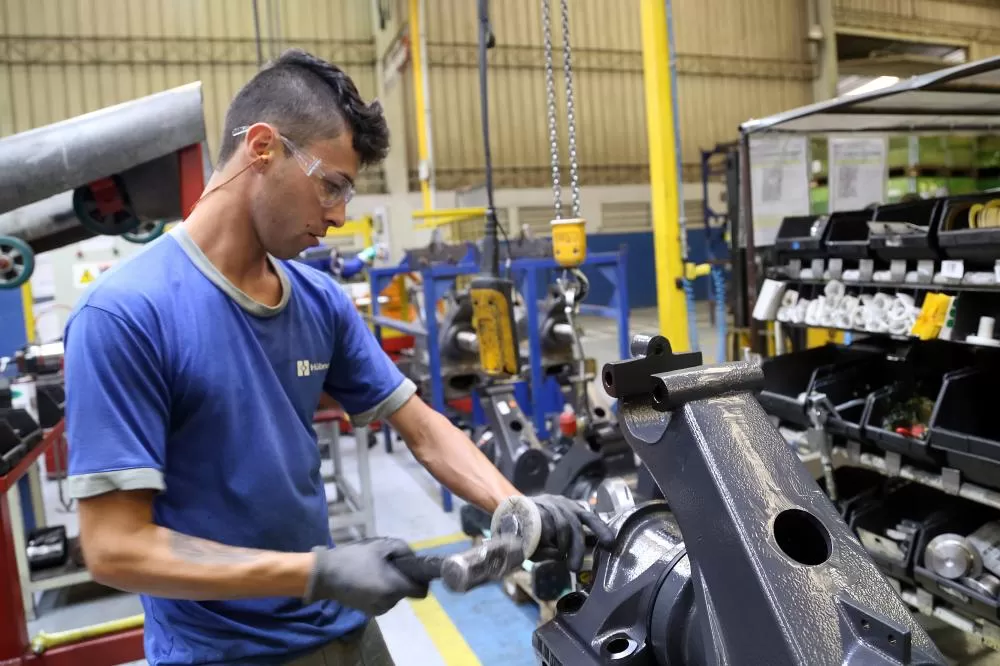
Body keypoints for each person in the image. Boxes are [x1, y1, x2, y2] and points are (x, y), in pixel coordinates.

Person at [64, 49, 613, 666]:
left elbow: (422, 427)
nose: (339, 215)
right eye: (331, 185)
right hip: (224, 653)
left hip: (344, 632)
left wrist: (516, 507)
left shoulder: (318, 299)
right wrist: (315, 572)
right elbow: (114, 547)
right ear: (262, 148)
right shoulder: (125, 315)